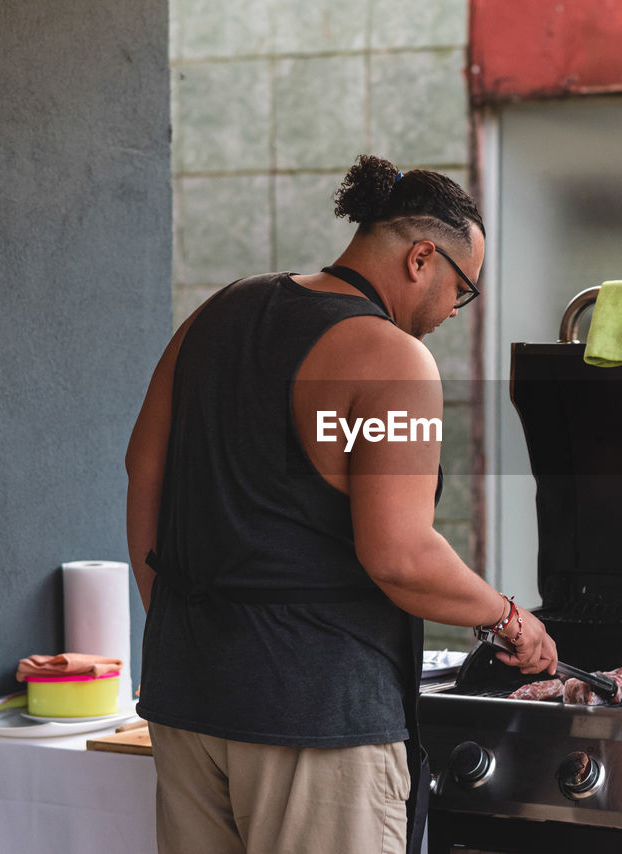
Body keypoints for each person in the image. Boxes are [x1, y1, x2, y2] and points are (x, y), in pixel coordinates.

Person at [124, 154, 558, 854]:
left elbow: (143, 473)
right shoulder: (393, 361)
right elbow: (400, 556)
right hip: (316, 720)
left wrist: (182, 628)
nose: (454, 310)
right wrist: (508, 615)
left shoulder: (215, 315)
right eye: (462, 290)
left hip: (189, 699)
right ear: (423, 257)